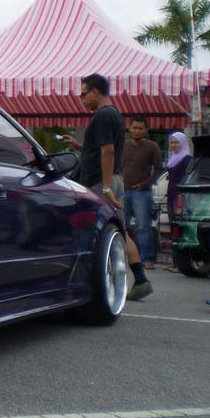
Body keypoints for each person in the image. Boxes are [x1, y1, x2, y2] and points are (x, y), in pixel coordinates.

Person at [62, 73, 152, 300]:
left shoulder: (102, 116)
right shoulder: (113, 115)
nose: (82, 99)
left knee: (109, 231)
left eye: (84, 94)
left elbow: (108, 150)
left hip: (102, 181)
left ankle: (129, 279)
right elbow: (100, 149)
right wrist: (80, 146)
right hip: (109, 179)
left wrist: (104, 187)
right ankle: (139, 279)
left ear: (95, 92)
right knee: (117, 229)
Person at [121, 116, 162, 269]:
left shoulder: (152, 147)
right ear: (130, 128)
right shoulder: (123, 145)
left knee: (143, 227)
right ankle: (124, 258)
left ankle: (147, 259)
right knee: (122, 226)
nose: (137, 131)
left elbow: (159, 169)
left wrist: (145, 184)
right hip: (123, 191)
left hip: (142, 193)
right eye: (134, 128)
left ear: (146, 130)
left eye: (140, 128)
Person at [165, 131, 191, 274]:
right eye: (172, 142)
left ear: (183, 144)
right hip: (171, 195)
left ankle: (180, 264)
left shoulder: (186, 158)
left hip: (179, 198)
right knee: (173, 229)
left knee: (179, 230)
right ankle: (176, 263)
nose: (174, 145)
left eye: (177, 142)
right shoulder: (173, 158)